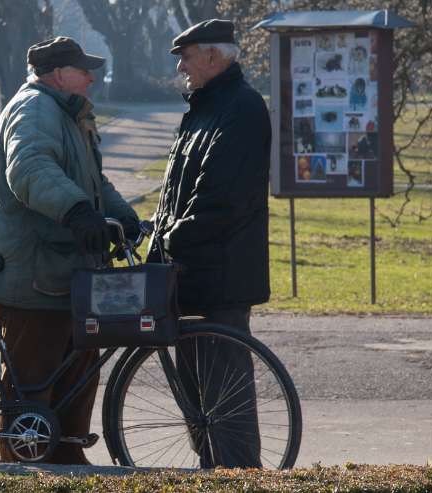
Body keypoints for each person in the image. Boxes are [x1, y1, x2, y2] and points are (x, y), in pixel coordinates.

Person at [0, 36, 139, 464]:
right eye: (83, 69)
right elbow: (29, 169)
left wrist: (125, 219)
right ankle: (22, 468)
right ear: (57, 75)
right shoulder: (34, 109)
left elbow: (94, 182)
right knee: (33, 382)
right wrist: (76, 212)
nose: (91, 76)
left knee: (78, 370)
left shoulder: (68, 113)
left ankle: (68, 457)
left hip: (66, 272)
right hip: (34, 275)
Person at [149, 19, 271, 468]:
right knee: (199, 403)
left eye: (186, 56)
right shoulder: (203, 108)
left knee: (225, 401)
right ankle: (212, 473)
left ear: (213, 56)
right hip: (190, 275)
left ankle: (239, 476)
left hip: (221, 277)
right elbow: (177, 191)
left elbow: (220, 199)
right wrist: (156, 231)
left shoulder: (241, 108)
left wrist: (169, 236)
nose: (180, 66)